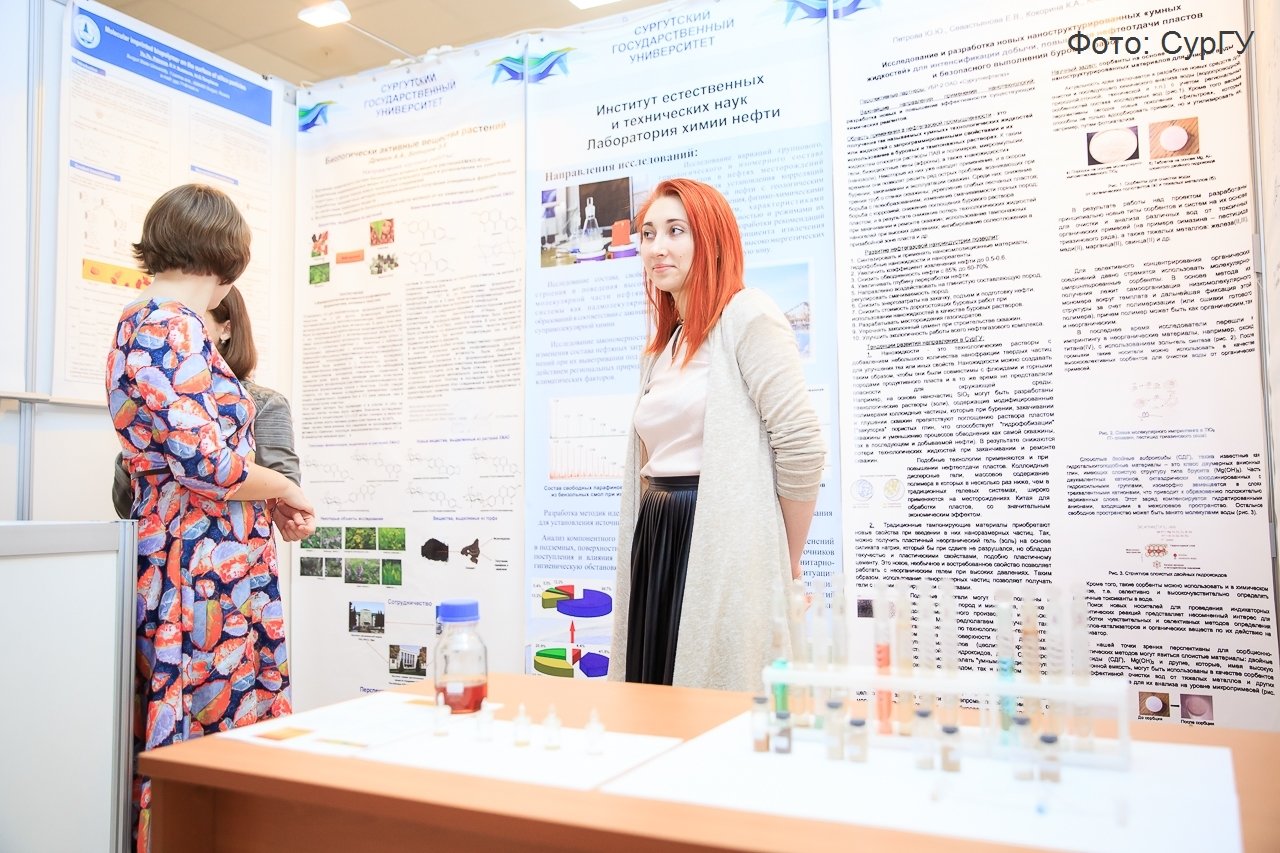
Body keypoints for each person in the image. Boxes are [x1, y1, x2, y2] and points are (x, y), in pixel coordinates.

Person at [105, 183, 315, 850]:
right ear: (226, 259)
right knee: (202, 736)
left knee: (217, 728)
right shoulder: (168, 325)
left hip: (212, 565)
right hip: (198, 571)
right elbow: (209, 465)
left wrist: (269, 496)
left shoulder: (159, 323)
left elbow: (203, 461)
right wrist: (286, 488)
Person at [610, 178, 826, 691]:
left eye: (675, 231)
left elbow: (801, 445)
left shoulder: (747, 315)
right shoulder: (665, 345)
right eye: (648, 234)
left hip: (716, 534)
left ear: (711, 238)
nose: (657, 247)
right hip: (658, 534)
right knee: (656, 689)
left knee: (710, 699)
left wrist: (784, 559)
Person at [110, 284, 300, 517]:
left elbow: (286, 492)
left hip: (231, 533)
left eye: (195, 317)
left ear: (226, 329)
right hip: (160, 527)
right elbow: (126, 501)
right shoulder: (158, 386)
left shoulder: (265, 403)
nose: (179, 325)